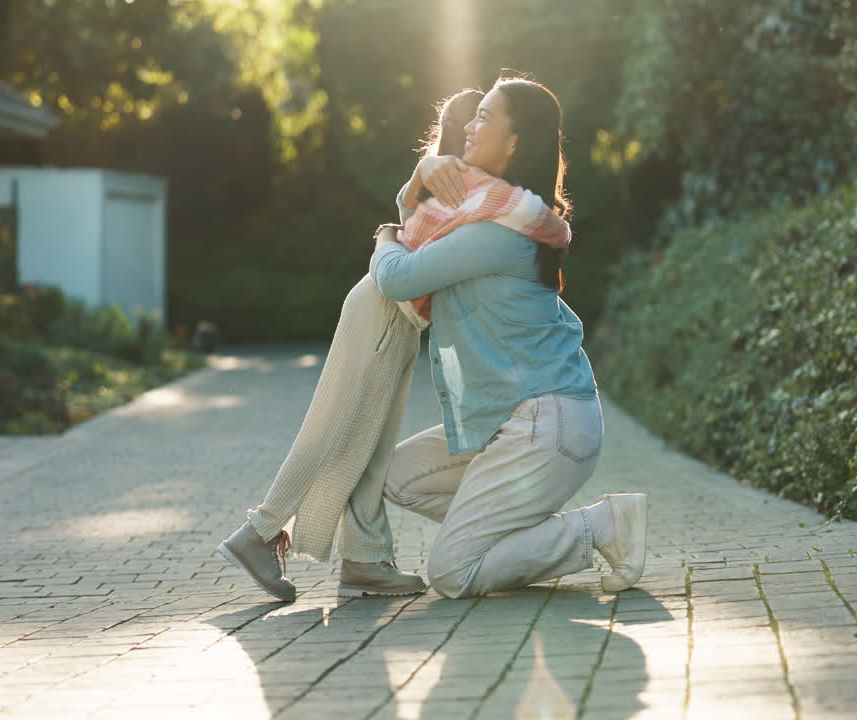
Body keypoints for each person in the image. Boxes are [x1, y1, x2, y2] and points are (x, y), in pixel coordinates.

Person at [217, 88, 582, 600]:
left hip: (399, 316)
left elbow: (424, 218)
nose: (472, 129)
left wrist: (415, 187)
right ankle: (259, 532)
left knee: (370, 441)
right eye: (472, 120)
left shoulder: (474, 192)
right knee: (337, 426)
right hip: (384, 307)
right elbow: (414, 244)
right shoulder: (475, 187)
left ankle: (365, 558)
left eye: (483, 119)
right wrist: (387, 234)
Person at [371, 76, 648, 599]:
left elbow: (399, 275)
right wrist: (415, 185)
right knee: (398, 478)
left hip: (547, 424)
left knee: (453, 573)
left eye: (484, 117)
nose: (469, 126)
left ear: (515, 142)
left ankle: (602, 527)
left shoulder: (497, 231)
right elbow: (422, 231)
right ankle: (507, 534)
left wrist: (385, 234)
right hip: (512, 420)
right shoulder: (489, 212)